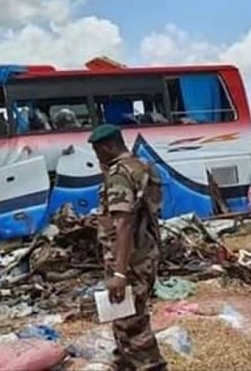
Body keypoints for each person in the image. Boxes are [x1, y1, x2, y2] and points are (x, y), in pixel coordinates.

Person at [88, 124, 166, 371]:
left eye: (98, 151)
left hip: (129, 259)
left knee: (131, 323)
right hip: (146, 252)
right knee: (122, 318)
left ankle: (152, 366)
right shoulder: (142, 166)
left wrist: (119, 273)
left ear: (109, 146)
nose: (96, 156)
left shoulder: (120, 174)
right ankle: (123, 365)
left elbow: (124, 224)